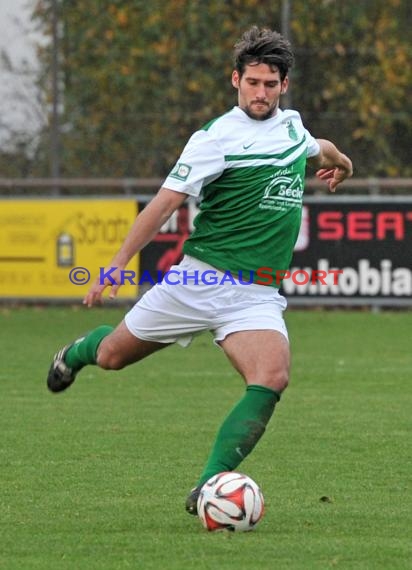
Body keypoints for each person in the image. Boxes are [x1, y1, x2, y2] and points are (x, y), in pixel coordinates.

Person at [47, 26, 353, 515]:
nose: (260, 92)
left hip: (256, 293)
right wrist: (118, 264)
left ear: (284, 85)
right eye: (252, 82)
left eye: (270, 84)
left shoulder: (292, 128)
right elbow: (165, 203)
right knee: (112, 357)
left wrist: (345, 164)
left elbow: (322, 147)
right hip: (198, 280)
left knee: (272, 376)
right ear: (235, 80)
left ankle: (209, 485)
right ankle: (79, 350)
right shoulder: (215, 138)